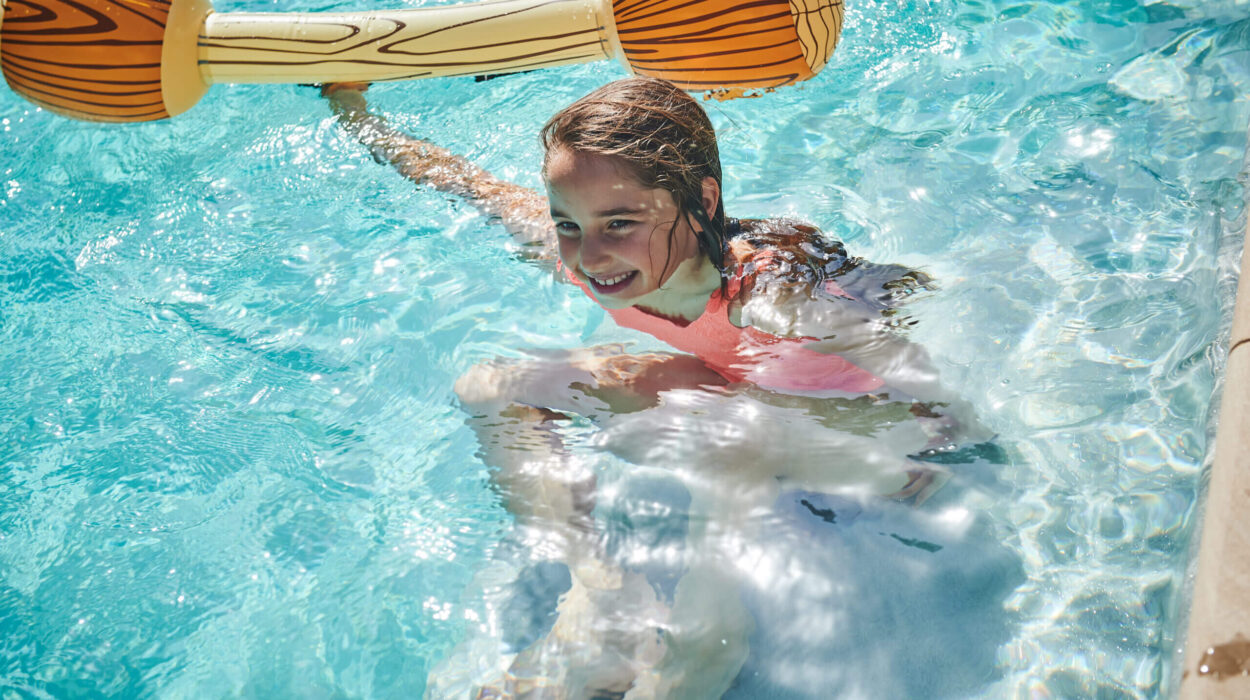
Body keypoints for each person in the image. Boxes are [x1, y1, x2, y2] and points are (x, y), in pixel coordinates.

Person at [322, 77, 987, 698]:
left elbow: (926, 397)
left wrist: (961, 463)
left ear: (703, 200)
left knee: (733, 431)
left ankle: (703, 646)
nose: (590, 253)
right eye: (569, 223)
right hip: (750, 405)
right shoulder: (588, 259)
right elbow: (468, 187)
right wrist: (354, 111)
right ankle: (599, 585)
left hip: (886, 449)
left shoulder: (774, 298)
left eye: (620, 222)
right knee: (493, 388)